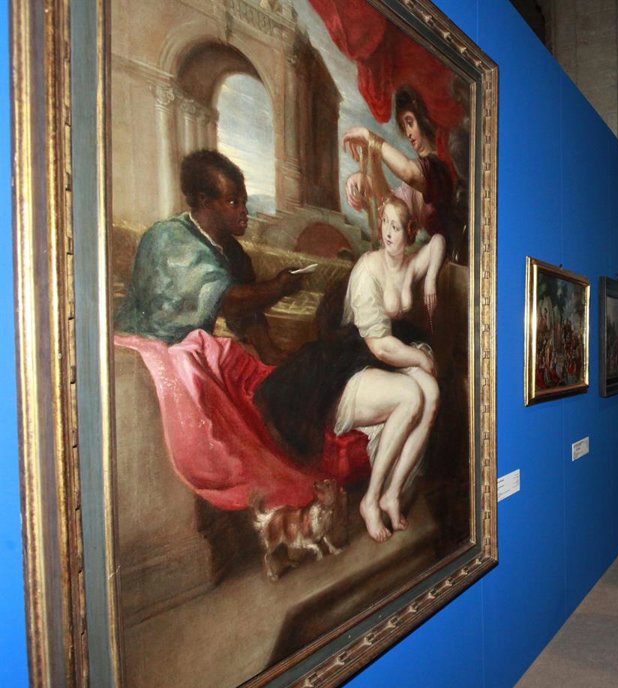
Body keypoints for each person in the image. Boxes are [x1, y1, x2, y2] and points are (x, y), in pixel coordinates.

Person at [257, 196, 444, 543]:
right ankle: (370, 501)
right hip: (345, 364)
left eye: (395, 226)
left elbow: (437, 244)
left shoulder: (408, 262)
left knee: (431, 393)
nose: (388, 233)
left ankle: (392, 493)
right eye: (384, 224)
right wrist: (420, 359)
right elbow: (379, 345)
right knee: (410, 395)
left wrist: (430, 279)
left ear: (409, 231)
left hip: (380, 357)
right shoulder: (368, 270)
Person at [115, 149, 301, 362]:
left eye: (244, 202)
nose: (244, 211)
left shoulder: (232, 251)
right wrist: (278, 287)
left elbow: (247, 314)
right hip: (143, 350)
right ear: (205, 201)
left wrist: (269, 352)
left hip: (188, 352)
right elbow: (229, 301)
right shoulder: (170, 237)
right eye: (233, 202)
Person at [343, 88, 458, 255]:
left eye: (410, 123)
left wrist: (371, 138)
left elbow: (408, 172)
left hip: (440, 256)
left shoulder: (437, 170)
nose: (408, 133)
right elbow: (394, 204)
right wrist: (363, 181)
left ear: (424, 120)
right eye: (404, 126)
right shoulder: (422, 174)